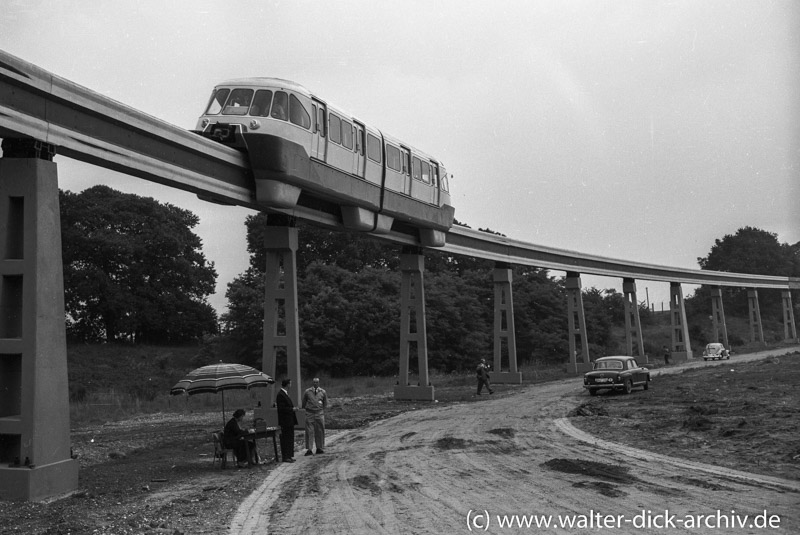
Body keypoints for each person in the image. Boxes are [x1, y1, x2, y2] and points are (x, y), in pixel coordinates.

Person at [301, 377, 328, 456]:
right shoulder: (307, 392)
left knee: (319, 430)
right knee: (309, 431)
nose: (315, 383)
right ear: (312, 383)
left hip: (319, 413)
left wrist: (321, 410)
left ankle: (319, 447)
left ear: (319, 383)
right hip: (310, 413)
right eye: (314, 382)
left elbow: (325, 403)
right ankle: (309, 449)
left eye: (317, 382)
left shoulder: (323, 392)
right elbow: (304, 402)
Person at [276, 378, 298, 463]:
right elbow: (282, 409)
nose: (291, 385)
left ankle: (289, 455)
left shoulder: (285, 394)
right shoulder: (281, 395)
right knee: (286, 438)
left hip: (289, 420)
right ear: (288, 384)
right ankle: (286, 456)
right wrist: (292, 409)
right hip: (285, 421)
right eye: (290, 383)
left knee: (290, 438)